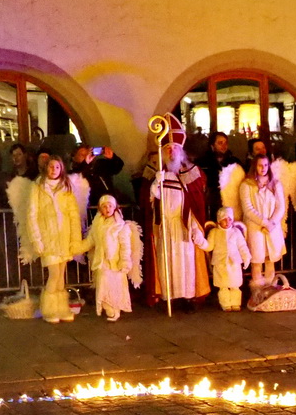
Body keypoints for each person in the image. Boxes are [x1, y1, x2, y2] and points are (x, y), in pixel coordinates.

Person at [144, 127, 211, 307]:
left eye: (174, 148)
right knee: (167, 261)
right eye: (167, 148)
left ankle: (188, 297)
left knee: (185, 262)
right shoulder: (155, 173)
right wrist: (156, 183)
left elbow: (197, 198)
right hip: (164, 225)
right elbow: (148, 200)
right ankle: (169, 297)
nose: (171, 151)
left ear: (181, 151)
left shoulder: (191, 172)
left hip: (184, 224)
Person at [28, 154, 89, 323]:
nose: (54, 170)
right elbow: (32, 214)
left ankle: (60, 308)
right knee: (54, 274)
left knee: (61, 274)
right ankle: (48, 309)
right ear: (46, 168)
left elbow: (73, 215)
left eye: (57, 167)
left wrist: (75, 240)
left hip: (64, 237)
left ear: (61, 169)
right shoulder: (38, 187)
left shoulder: (66, 188)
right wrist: (36, 239)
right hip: (48, 237)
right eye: (51, 166)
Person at [85, 194, 142, 321]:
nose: (107, 209)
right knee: (103, 284)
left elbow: (125, 245)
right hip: (102, 261)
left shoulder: (121, 226)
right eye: (104, 206)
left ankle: (115, 309)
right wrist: (77, 247)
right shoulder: (97, 225)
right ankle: (108, 307)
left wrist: (125, 260)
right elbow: (91, 241)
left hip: (115, 262)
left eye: (110, 206)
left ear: (115, 207)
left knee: (115, 286)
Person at [239, 153, 288, 298]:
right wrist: (264, 222)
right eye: (260, 165)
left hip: (273, 228)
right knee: (257, 259)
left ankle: (270, 288)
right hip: (256, 228)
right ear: (255, 166)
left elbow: (281, 206)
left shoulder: (275, 184)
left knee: (270, 258)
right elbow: (248, 208)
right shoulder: (247, 185)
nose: (263, 168)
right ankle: (258, 291)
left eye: (266, 165)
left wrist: (272, 222)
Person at [201, 206, 251, 311]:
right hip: (220, 263)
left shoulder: (236, 232)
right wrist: (201, 242)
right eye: (224, 219)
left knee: (235, 284)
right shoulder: (214, 232)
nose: (227, 222)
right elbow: (209, 246)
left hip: (234, 263)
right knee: (223, 285)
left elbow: (242, 246)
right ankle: (225, 304)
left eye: (229, 219)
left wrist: (246, 258)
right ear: (219, 221)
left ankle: (236, 303)